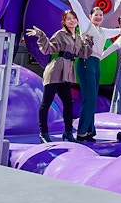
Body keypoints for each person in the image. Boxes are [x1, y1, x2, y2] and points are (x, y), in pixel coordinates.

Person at [54, 0, 120, 141]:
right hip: (85, 62)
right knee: (89, 98)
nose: (98, 17)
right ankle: (82, 131)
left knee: (93, 97)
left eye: (101, 15)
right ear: (90, 17)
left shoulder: (104, 31)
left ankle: (90, 131)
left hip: (96, 64)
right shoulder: (86, 26)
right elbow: (77, 7)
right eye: (96, 14)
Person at [26, 10, 93, 143]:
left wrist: (89, 41)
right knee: (47, 103)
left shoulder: (78, 37)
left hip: (67, 72)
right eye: (69, 19)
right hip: (55, 70)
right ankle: (43, 133)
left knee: (68, 103)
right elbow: (48, 49)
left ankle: (68, 132)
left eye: (74, 18)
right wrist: (40, 35)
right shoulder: (60, 34)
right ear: (64, 22)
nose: (72, 21)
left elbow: (84, 54)